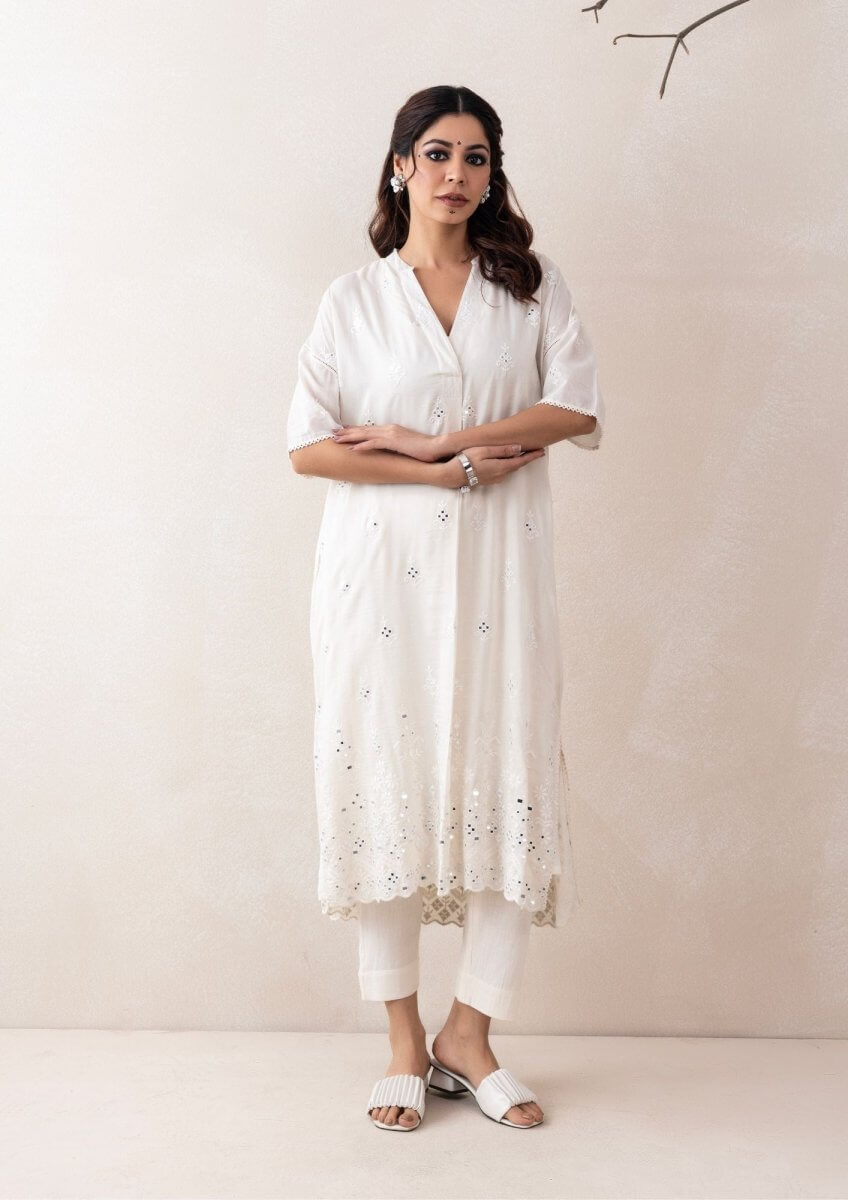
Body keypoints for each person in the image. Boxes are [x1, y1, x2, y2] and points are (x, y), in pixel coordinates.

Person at [287, 85, 605, 1131]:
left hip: (501, 572)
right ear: (399, 166)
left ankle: (471, 1033)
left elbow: (573, 404)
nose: (456, 174)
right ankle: (401, 1040)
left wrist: (439, 442)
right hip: (376, 575)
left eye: (475, 157)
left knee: (506, 768)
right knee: (385, 771)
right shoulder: (353, 300)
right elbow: (309, 446)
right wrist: (434, 471)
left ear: (492, 174)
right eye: (436, 153)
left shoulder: (529, 288)